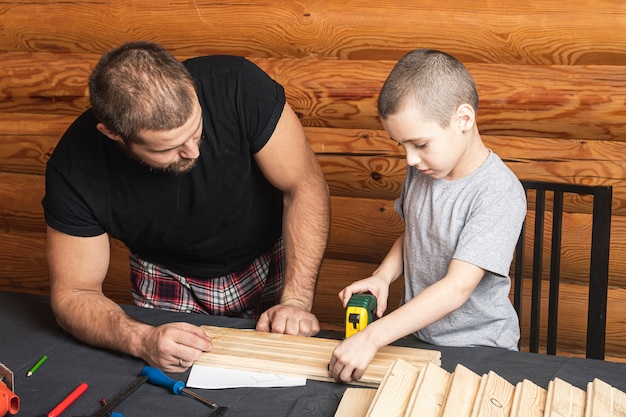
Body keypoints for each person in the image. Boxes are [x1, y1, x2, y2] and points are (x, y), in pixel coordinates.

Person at [42, 41, 330, 372]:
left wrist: (294, 301)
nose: (193, 152)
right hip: (167, 273)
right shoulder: (74, 167)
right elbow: (74, 292)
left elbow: (304, 185)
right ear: (113, 135)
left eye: (195, 130)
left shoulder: (238, 84)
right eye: (170, 148)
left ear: (189, 84)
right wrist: (141, 339)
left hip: (266, 256)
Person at [328, 49, 527, 383]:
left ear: (463, 119)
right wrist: (382, 276)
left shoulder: (498, 192)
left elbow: (457, 288)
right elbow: (416, 232)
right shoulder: (425, 171)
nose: (409, 159)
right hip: (419, 338)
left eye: (419, 144)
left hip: (479, 350)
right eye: (401, 146)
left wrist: (372, 336)